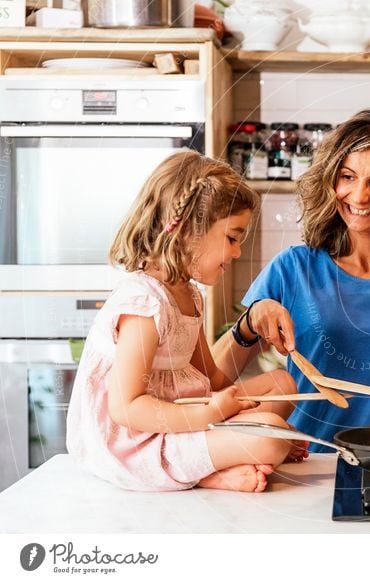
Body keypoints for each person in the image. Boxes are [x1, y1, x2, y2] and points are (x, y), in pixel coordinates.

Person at [213, 109, 370, 450]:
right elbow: (213, 381)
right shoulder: (292, 268)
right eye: (347, 177)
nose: (359, 196)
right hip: (308, 463)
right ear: (330, 180)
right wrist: (247, 324)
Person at [66, 151, 307, 493]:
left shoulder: (190, 295)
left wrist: (237, 391)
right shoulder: (144, 303)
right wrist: (211, 417)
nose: (237, 252)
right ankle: (209, 473)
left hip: (182, 421)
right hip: (139, 444)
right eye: (232, 238)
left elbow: (211, 380)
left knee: (283, 384)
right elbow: (126, 407)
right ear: (188, 232)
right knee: (270, 438)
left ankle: (220, 457)